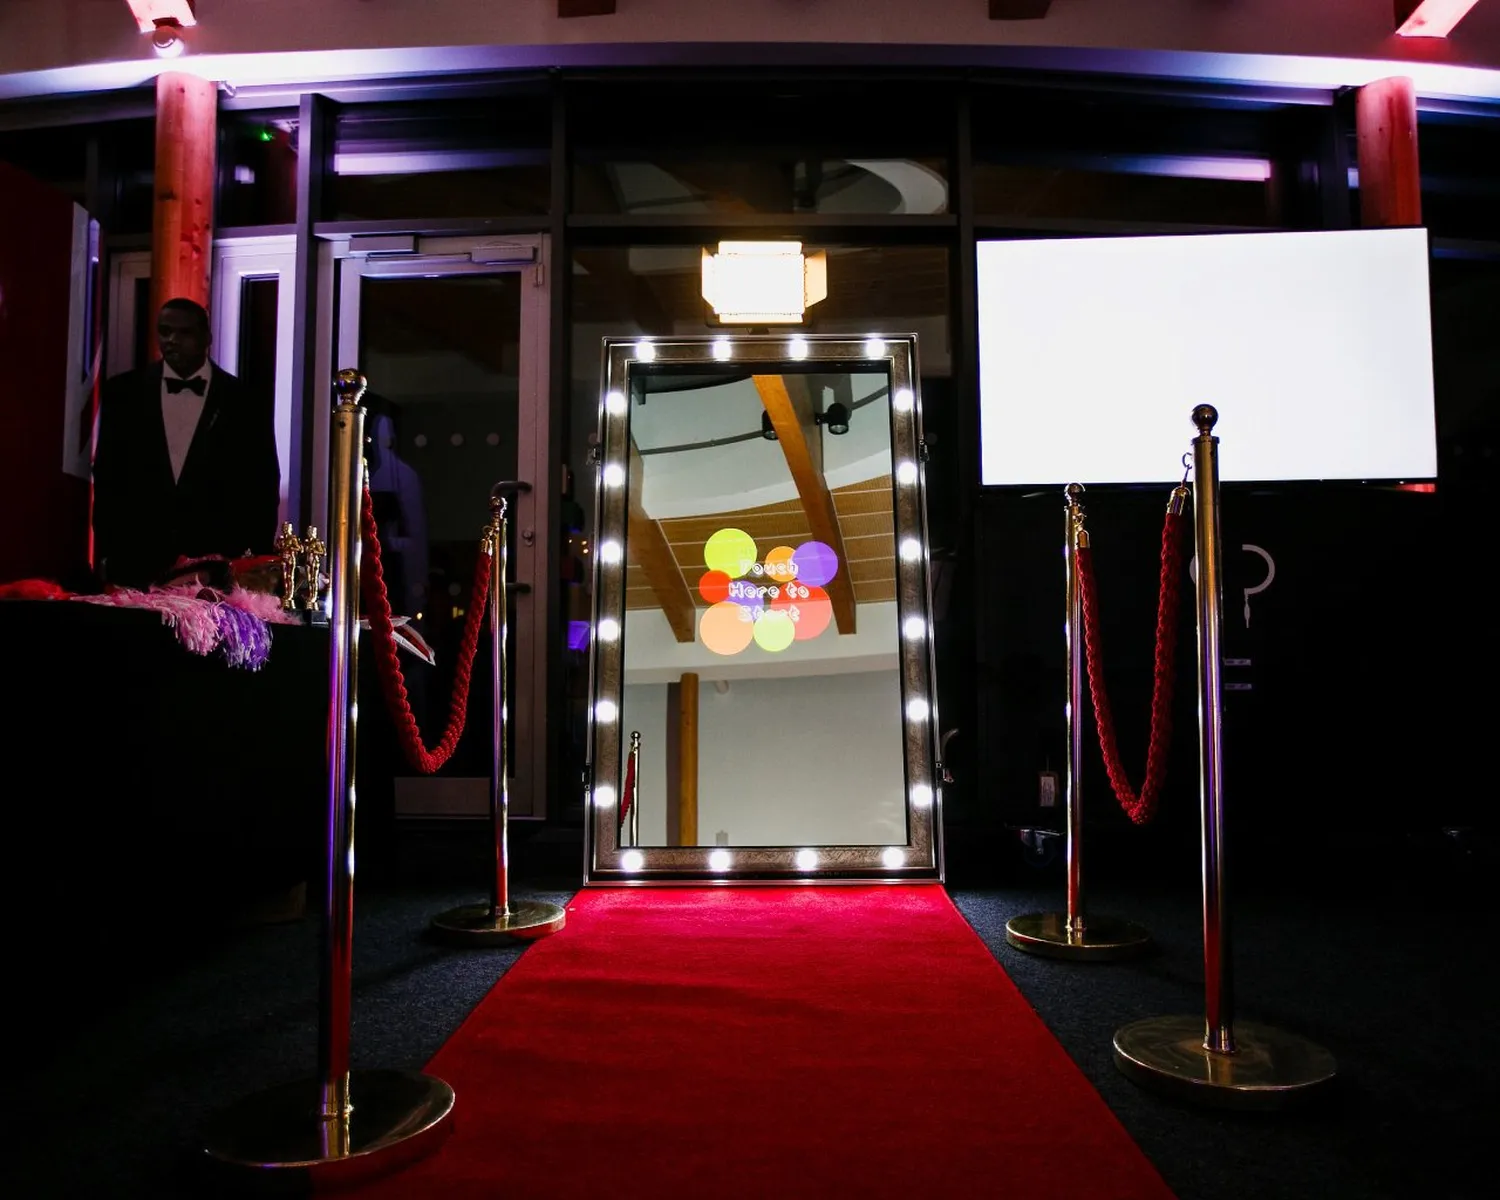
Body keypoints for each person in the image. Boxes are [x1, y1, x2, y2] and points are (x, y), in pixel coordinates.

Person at [92, 297, 281, 587]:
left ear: (207, 338)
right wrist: (107, 555)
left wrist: (251, 561)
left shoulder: (244, 401)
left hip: (216, 568)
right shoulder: (123, 393)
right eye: (165, 331)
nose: (171, 340)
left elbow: (262, 485)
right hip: (135, 564)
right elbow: (108, 478)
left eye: (184, 333)